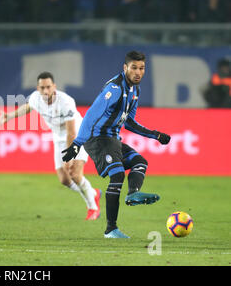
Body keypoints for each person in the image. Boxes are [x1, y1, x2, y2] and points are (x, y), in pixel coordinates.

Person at [62, 51, 171, 239]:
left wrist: (155, 135)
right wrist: (77, 143)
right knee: (118, 174)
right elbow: (91, 114)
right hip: (98, 138)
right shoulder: (115, 88)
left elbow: (128, 122)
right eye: (134, 68)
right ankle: (110, 229)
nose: (138, 72)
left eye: (142, 68)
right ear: (125, 68)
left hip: (112, 138)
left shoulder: (135, 90)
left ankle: (133, 194)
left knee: (140, 162)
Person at [0, 72, 101, 221]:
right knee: (64, 180)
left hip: (78, 136)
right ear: (37, 88)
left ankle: (93, 208)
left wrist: (69, 156)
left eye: (48, 87)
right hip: (58, 138)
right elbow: (28, 107)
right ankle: (93, 193)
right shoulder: (35, 98)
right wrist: (9, 116)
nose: (45, 91)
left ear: (54, 87)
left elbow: (71, 132)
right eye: (42, 88)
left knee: (75, 174)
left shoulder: (66, 102)